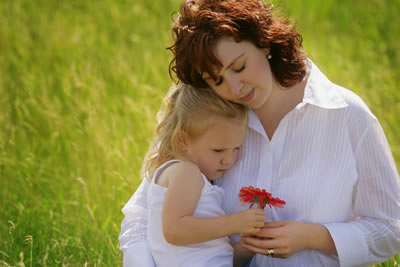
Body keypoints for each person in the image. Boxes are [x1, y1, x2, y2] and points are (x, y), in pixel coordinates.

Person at [119, 0, 400, 266]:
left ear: (263, 41)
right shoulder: (208, 115)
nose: (234, 88)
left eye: (239, 67)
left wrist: (313, 237)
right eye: (216, 79)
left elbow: (391, 228)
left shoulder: (346, 114)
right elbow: (140, 218)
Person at [127, 83, 267, 267]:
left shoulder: (190, 177)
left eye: (236, 148)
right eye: (218, 150)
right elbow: (174, 230)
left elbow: (211, 256)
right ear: (182, 141)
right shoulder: (186, 172)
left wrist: (248, 246)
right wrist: (234, 223)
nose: (229, 160)